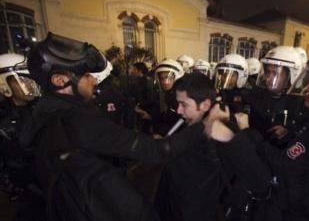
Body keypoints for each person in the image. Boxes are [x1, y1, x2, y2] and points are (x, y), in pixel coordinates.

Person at [26, 33, 205, 221]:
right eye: (87, 75)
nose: (94, 81)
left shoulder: (45, 113)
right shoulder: (74, 119)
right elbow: (156, 151)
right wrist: (202, 126)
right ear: (60, 80)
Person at [206, 49, 309, 221]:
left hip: (306, 212)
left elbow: (283, 165)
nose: (308, 88)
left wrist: (247, 132)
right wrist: (290, 136)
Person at [155, 72, 225, 221]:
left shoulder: (216, 140)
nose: (179, 110)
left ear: (205, 105)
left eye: (184, 105)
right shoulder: (189, 128)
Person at [0, 53, 44, 221]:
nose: (29, 84)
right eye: (21, 80)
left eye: (28, 79)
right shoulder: (3, 118)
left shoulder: (41, 108)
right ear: (4, 84)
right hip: (25, 194)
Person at [244, 46, 306, 146]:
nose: (268, 78)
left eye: (275, 73)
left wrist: (290, 131)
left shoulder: (301, 104)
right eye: (268, 72)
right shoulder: (255, 97)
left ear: (291, 75)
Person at [148, 59, 185, 136]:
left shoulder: (180, 96)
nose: (165, 82)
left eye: (169, 77)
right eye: (162, 78)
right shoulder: (164, 94)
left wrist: (162, 135)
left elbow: (181, 122)